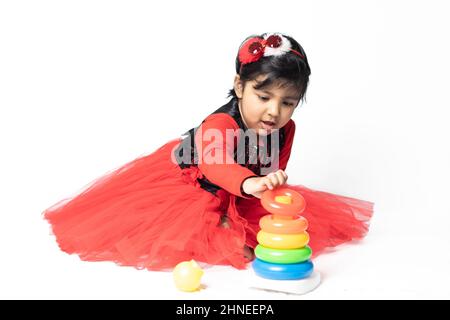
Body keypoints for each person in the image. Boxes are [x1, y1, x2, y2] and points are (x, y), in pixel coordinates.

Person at [43, 32, 374, 271]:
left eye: (287, 102)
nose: (274, 111)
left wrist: (267, 185)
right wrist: (246, 186)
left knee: (280, 229)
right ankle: (219, 224)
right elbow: (217, 166)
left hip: (244, 188)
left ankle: (235, 217)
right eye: (263, 97)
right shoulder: (221, 124)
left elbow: (271, 166)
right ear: (241, 86)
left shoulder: (286, 129)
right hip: (193, 182)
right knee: (199, 233)